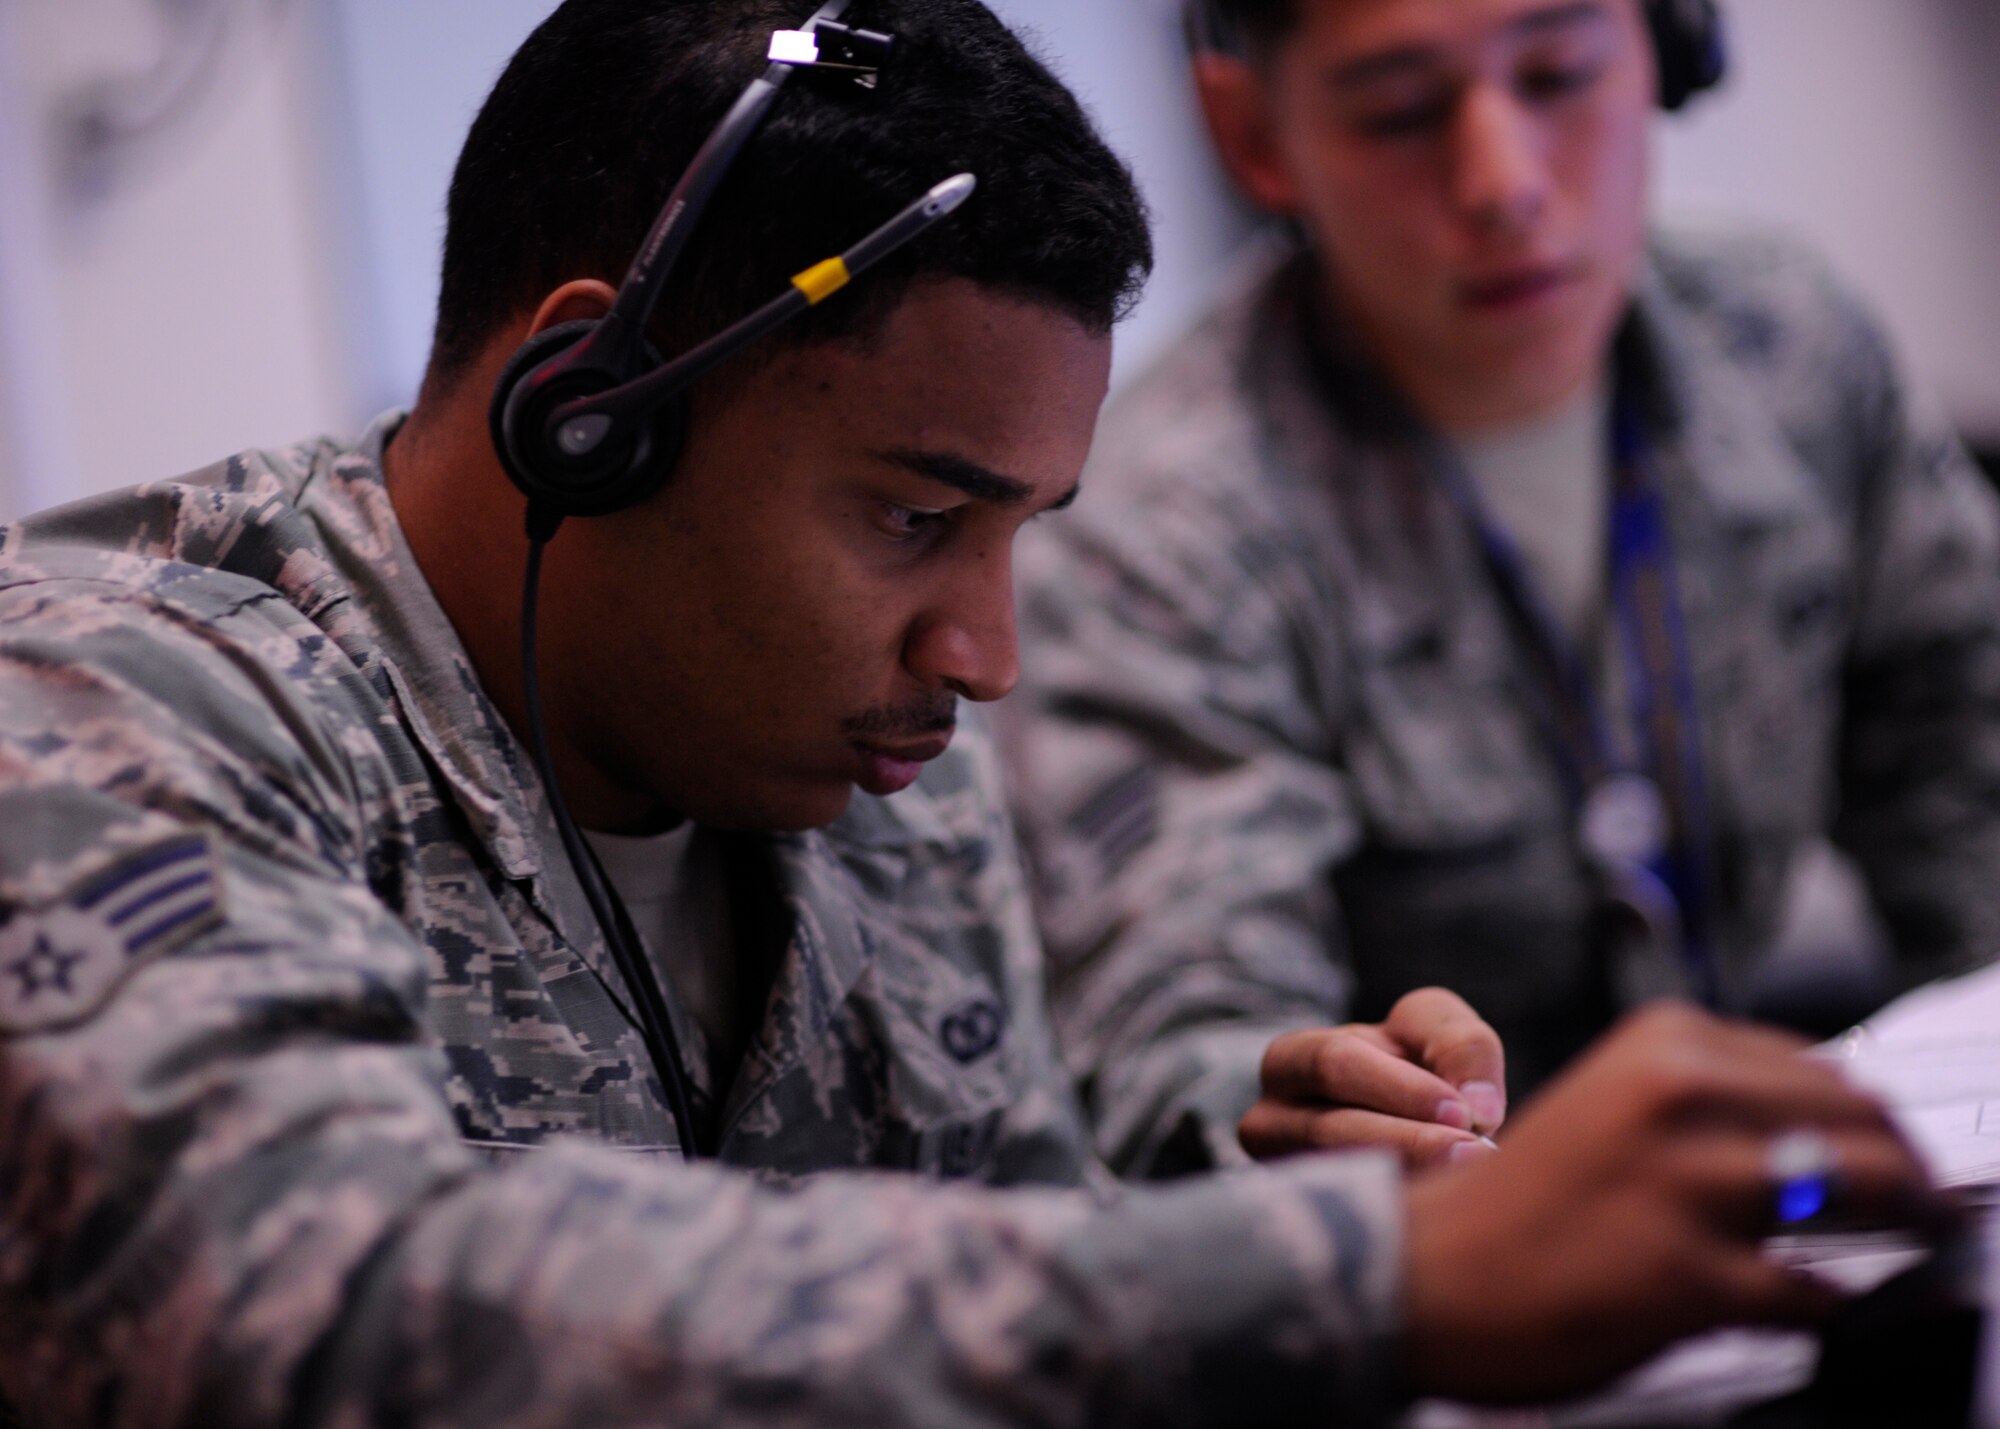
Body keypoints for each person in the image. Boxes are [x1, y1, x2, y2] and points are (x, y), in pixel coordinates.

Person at [0, 1, 1948, 1424]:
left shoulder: (860, 757)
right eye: (919, 517)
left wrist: (1248, 1160)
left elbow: (1010, 1252)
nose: (988, 652)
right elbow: (313, 1303)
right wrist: (1352, 1282)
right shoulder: (114, 698)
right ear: (586, 406)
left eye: (1024, 532)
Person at [1004, 0, 2000, 1179]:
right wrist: (1302, 1125)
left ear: (1665, 52)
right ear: (1253, 136)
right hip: (1427, 1280)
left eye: (1557, 74)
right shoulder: (1153, 533)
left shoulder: (1788, 347)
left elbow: (1968, 798)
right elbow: (1182, 1040)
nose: (1501, 181)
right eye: (1400, 112)